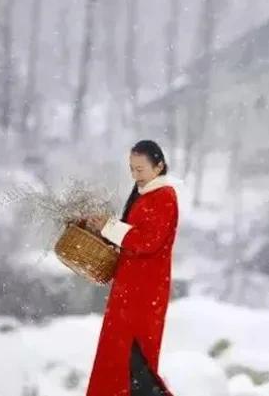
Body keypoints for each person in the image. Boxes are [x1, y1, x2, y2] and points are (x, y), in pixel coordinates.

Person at [84, 140, 179, 396]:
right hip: (130, 286)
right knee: (120, 358)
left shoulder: (164, 196)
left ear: (158, 167)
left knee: (134, 359)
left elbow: (148, 240)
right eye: (132, 169)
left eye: (140, 169)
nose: (135, 175)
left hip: (144, 290)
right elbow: (132, 237)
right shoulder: (144, 194)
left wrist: (110, 227)